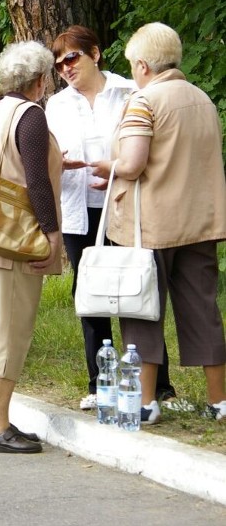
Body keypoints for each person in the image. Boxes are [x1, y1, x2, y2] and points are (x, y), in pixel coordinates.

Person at [91, 22, 226, 422]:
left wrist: (106, 166)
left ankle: (145, 402)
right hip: (200, 221)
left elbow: (132, 165)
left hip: (149, 225)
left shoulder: (143, 102)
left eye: (133, 63)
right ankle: (220, 400)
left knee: (141, 311)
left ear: (144, 65)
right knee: (203, 308)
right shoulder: (202, 99)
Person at [45, 25, 178, 412]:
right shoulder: (56, 105)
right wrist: (62, 163)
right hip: (77, 208)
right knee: (89, 294)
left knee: (137, 287)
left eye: (72, 57)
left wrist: (118, 169)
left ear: (95, 54)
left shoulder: (129, 91)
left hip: (124, 204)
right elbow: (49, 155)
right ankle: (98, 382)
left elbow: (146, 147)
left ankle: (158, 385)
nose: (66, 68)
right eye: (59, 64)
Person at [0, 41, 62, 454]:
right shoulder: (31, 115)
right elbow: (36, 181)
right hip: (17, 238)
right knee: (11, 333)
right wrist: (52, 232)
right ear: (40, 80)